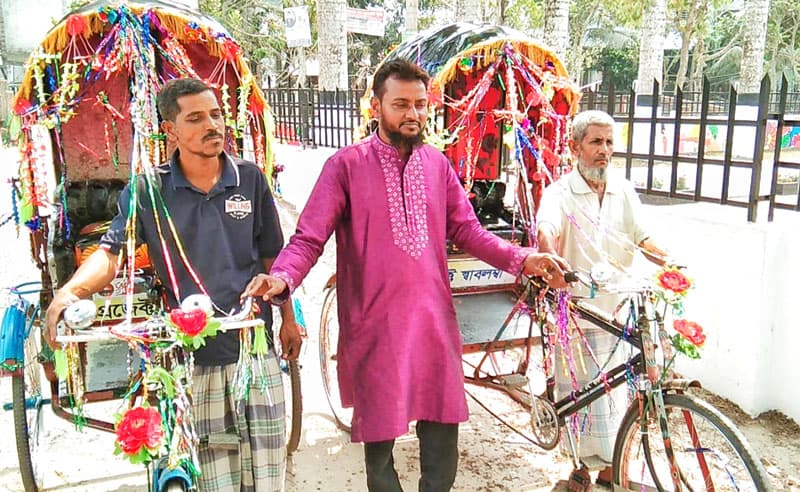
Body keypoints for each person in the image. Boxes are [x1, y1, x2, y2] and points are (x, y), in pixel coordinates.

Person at [240, 58, 569, 492]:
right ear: (376, 107)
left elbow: (467, 229)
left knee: (441, 443)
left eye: (419, 104)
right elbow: (309, 237)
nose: (413, 114)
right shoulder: (345, 166)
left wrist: (521, 258)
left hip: (432, 321)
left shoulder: (437, 165)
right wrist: (282, 278)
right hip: (374, 323)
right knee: (379, 450)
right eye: (400, 104)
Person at [44, 78, 301, 492]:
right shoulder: (149, 190)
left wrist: (289, 318)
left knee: (268, 473)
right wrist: (68, 292)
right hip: (187, 358)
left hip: (253, 348)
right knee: (208, 475)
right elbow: (113, 254)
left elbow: (274, 258)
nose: (211, 125)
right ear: (171, 130)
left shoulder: (251, 179)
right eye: (196, 118)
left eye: (215, 114)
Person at [536, 109, 670, 489]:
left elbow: (642, 237)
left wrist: (671, 262)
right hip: (578, 310)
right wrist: (551, 259)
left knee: (618, 397)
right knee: (578, 394)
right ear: (574, 146)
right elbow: (547, 229)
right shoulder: (559, 192)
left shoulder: (622, 189)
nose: (604, 151)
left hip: (621, 310)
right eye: (596, 141)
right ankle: (579, 469)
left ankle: (613, 471)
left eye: (609, 142)